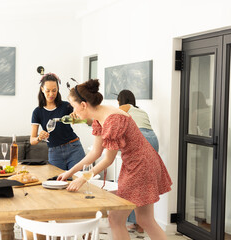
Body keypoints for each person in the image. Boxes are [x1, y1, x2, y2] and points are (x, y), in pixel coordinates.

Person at [57, 79, 172, 240]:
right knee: (143, 220)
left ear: (83, 105)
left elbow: (107, 160)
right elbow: (95, 153)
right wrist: (70, 172)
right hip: (141, 162)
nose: (73, 111)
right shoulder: (99, 117)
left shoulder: (112, 120)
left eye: (73, 106)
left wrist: (83, 178)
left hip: (140, 165)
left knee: (118, 219)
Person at [117, 89, 159, 233]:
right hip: (153, 139)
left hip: (140, 139)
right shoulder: (141, 111)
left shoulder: (124, 107)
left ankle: (135, 222)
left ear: (121, 101)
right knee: (144, 182)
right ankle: (140, 223)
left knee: (131, 182)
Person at [30, 73, 86, 170]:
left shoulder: (66, 106)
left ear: (58, 89)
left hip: (74, 148)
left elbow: (84, 119)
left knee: (78, 180)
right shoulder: (37, 112)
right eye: (48, 91)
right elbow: (32, 140)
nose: (51, 94)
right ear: (42, 89)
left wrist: (76, 116)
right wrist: (39, 138)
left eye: (54, 90)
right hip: (54, 153)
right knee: (57, 182)